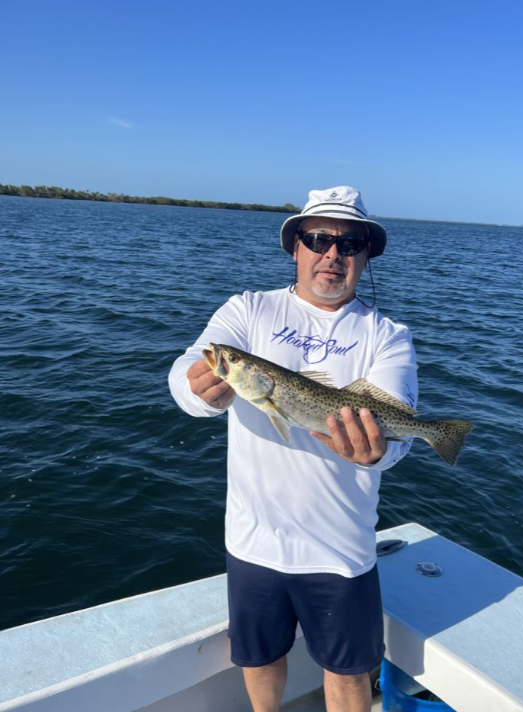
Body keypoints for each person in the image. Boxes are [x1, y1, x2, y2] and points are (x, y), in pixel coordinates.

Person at [168, 186, 418, 712]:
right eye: (319, 238)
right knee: (257, 658)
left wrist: (377, 454)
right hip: (254, 538)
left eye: (349, 244)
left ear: (366, 254)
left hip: (342, 546)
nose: (332, 253)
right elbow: (188, 368)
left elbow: (395, 436)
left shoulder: (387, 335)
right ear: (296, 246)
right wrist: (197, 390)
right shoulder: (247, 310)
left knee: (350, 673)